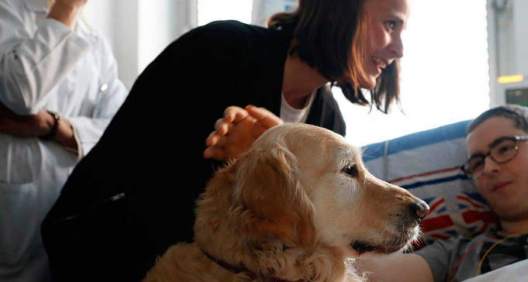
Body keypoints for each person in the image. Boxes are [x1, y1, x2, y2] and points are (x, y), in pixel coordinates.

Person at [41, 0, 410, 281]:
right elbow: (152, 190)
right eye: (390, 24)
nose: (399, 49)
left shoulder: (328, 121)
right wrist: (257, 163)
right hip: (102, 245)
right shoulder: (221, 50)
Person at [357, 105, 528, 282]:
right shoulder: (459, 251)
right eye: (477, 163)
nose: (490, 168)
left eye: (505, 149)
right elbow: (367, 273)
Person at [0, 0, 128, 281]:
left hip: (68, 212)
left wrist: (54, 127)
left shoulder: (94, 39)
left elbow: (118, 131)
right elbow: (20, 94)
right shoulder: (7, 12)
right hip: (14, 217)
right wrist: (66, 9)